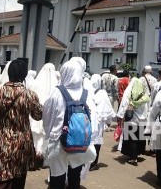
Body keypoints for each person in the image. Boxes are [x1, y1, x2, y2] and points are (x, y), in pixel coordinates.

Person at [0, 59, 43, 188]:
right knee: (17, 183)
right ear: (24, 75)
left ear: (9, 73)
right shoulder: (29, 95)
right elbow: (38, 116)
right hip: (21, 147)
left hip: (0, 144)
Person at [42, 60, 96, 189]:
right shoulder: (86, 94)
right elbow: (92, 119)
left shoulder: (55, 93)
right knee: (75, 174)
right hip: (80, 141)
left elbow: (46, 117)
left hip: (58, 141)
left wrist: (50, 134)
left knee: (57, 176)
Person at [117, 77, 150, 166]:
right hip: (143, 119)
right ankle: (137, 154)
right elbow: (148, 108)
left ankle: (133, 157)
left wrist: (120, 116)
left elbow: (124, 104)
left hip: (132, 119)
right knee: (139, 138)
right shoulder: (145, 96)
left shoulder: (130, 95)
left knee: (132, 139)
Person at [30, 63, 59, 158]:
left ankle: (34, 154)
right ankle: (42, 155)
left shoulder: (35, 83)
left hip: (35, 114)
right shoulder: (56, 86)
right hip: (48, 115)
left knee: (35, 136)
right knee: (45, 137)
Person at [89, 74, 116, 171]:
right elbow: (107, 108)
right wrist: (108, 122)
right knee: (96, 143)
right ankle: (93, 163)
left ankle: (84, 162)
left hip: (87, 121)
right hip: (99, 123)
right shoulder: (102, 93)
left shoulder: (86, 91)